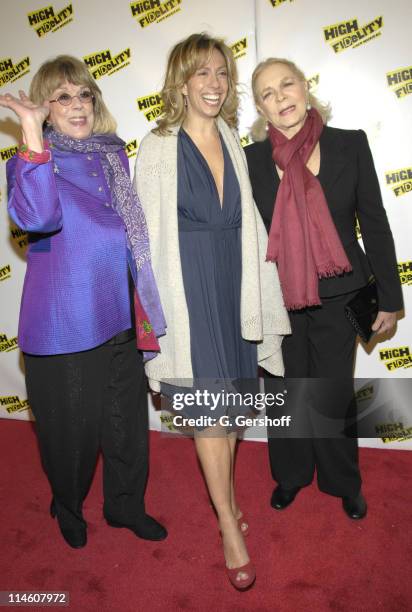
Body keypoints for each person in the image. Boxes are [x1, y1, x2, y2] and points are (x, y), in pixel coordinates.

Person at [134, 34, 290, 589]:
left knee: (234, 401)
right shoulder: (156, 147)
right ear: (181, 81)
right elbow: (143, 239)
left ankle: (224, 498)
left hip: (236, 285)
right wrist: (151, 319)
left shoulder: (233, 140)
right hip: (188, 290)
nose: (214, 83)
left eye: (222, 73)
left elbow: (249, 222)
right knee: (209, 409)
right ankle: (228, 522)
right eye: (202, 73)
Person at [1, 55, 167, 549]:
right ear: (45, 109)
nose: (78, 105)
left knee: (127, 425)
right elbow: (36, 218)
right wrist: (31, 135)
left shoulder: (112, 155)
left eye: (84, 94)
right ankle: (68, 504)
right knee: (70, 436)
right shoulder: (29, 162)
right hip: (65, 325)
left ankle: (125, 506)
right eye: (63, 97)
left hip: (120, 314)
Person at [245, 58, 403, 520]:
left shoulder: (350, 145)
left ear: (306, 87)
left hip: (341, 293)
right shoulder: (251, 159)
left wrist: (390, 298)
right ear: (260, 107)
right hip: (278, 297)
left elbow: (373, 222)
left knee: (332, 392)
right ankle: (291, 475)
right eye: (268, 93)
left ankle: (342, 482)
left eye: (287, 85)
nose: (281, 98)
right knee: (286, 393)